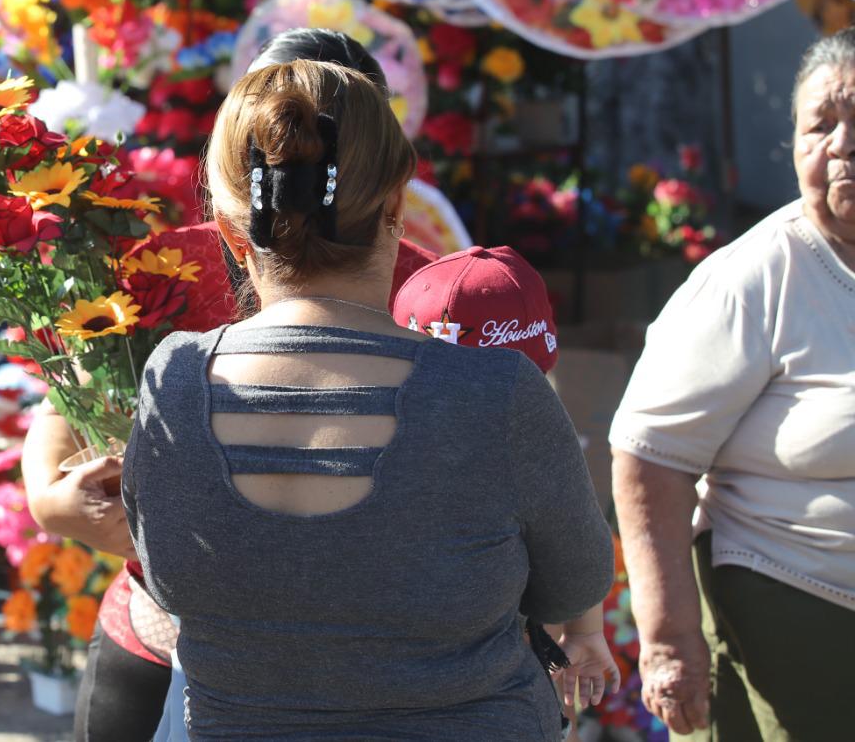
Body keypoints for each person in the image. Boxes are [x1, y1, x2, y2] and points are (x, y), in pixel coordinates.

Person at [124, 57, 612, 738]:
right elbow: (574, 583)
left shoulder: (172, 381)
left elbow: (162, 564)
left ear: (234, 240)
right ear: (394, 210)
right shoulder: (494, 392)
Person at [24, 29, 432, 742]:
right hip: (157, 632)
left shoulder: (429, 287)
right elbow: (64, 408)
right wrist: (54, 501)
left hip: (357, 655)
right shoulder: (158, 269)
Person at [609, 27, 854, 741]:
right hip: (792, 626)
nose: (840, 145)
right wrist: (667, 643)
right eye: (819, 125)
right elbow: (647, 456)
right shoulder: (754, 280)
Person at [394, 245, 621, 715]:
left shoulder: (373, 426)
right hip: (490, 685)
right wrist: (585, 633)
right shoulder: (533, 436)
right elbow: (577, 548)